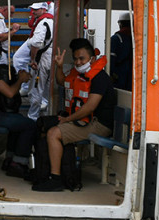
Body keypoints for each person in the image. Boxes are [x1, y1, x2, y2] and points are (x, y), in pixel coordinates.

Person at [33, 38, 116, 192]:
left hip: (99, 124)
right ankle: (42, 172)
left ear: (92, 58)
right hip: (83, 120)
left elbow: (90, 107)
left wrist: (66, 120)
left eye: (81, 58)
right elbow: (62, 82)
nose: (77, 62)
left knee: (53, 133)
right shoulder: (77, 74)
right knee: (42, 126)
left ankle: (56, 179)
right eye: (75, 58)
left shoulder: (100, 78)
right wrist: (59, 66)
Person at [11, 2, 53, 121]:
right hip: (49, 57)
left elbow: (36, 43)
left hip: (42, 58)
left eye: (36, 9)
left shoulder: (43, 22)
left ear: (44, 9)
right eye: (33, 9)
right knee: (46, 86)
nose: (33, 12)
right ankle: (45, 114)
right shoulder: (52, 21)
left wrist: (33, 59)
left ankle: (32, 118)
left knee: (36, 88)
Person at [0, 64, 37, 178]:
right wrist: (20, 80)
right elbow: (9, 93)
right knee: (30, 125)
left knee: (17, 121)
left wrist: (17, 77)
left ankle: (10, 159)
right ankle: (18, 163)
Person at [109, 13, 133, 91]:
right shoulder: (139, 39)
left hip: (119, 78)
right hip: (134, 78)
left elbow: (110, 61)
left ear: (120, 24)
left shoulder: (116, 39)